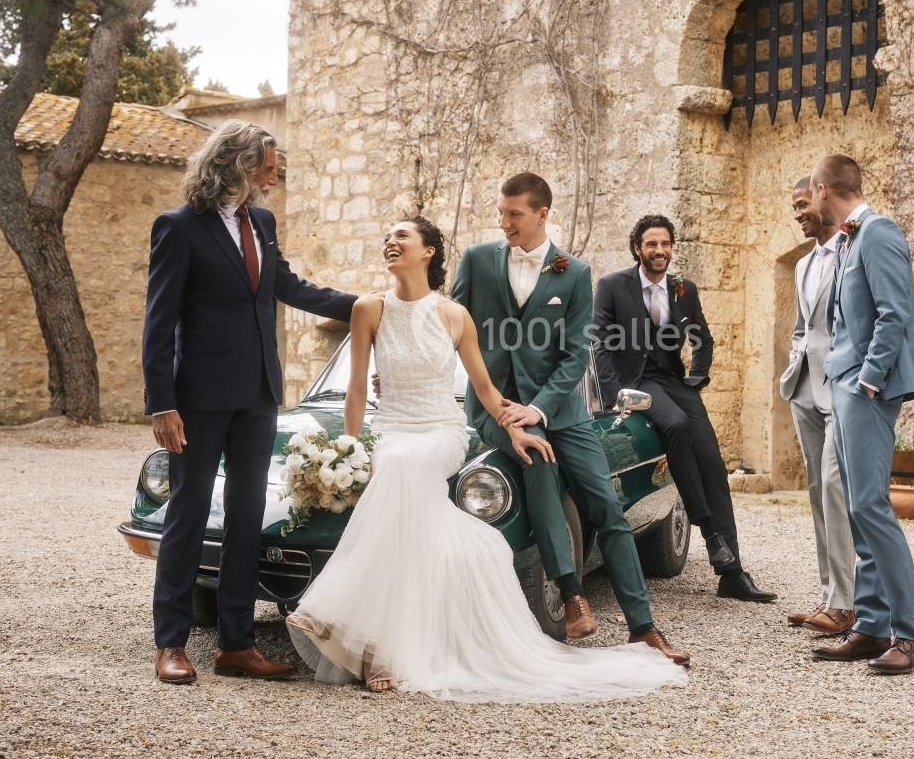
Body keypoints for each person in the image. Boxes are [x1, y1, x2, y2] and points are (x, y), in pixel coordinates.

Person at [286, 217, 688, 702]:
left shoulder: (455, 314)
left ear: (429, 251)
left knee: (405, 468)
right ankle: (375, 641)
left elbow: (484, 388)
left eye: (402, 237)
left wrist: (518, 427)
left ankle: (357, 629)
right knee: (401, 479)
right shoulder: (367, 309)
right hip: (391, 429)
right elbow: (354, 390)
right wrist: (348, 449)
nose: (391, 242)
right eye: (387, 237)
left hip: (440, 430)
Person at [142, 121, 358, 684]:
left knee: (246, 518)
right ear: (234, 163)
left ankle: (236, 645)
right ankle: (171, 642)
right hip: (198, 398)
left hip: (260, 392)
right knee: (187, 516)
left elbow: (288, 286)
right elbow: (158, 323)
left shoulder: (262, 221)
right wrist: (161, 403)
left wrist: (365, 305)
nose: (274, 174)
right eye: (267, 164)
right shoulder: (178, 228)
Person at [452, 172, 690, 666]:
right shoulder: (477, 261)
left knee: (606, 504)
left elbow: (573, 356)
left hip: (561, 410)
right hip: (497, 406)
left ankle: (643, 628)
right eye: (500, 212)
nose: (504, 222)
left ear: (542, 214)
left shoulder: (574, 272)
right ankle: (572, 591)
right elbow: (448, 327)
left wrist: (539, 408)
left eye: (514, 214)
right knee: (537, 460)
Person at [593, 214, 776, 603]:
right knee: (673, 425)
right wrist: (615, 393)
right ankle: (709, 532)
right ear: (637, 249)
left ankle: (732, 574)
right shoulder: (612, 286)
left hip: (676, 382)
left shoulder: (683, 289)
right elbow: (601, 344)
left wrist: (699, 377)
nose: (659, 251)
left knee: (711, 459)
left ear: (672, 247)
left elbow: (702, 338)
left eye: (665, 244)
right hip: (638, 382)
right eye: (651, 245)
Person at [807, 154, 914, 674]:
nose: (810, 200)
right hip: (842, 382)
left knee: (872, 507)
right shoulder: (851, 237)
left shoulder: (879, 233)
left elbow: (895, 312)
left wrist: (868, 380)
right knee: (859, 509)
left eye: (811, 192)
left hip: (864, 389)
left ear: (822, 189)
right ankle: (872, 624)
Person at [780, 178, 858, 634]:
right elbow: (801, 325)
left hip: (842, 385)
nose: (798, 213)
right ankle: (830, 595)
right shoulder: (803, 263)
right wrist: (794, 364)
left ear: (824, 198)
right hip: (804, 387)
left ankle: (847, 603)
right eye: (793, 206)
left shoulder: (852, 250)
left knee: (834, 486)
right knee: (816, 490)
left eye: (803, 204)